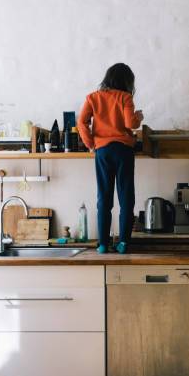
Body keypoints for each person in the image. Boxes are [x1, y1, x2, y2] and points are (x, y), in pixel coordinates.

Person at [78, 63, 144, 254]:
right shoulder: (125, 97)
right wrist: (138, 117)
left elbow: (81, 122)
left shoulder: (93, 98)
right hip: (123, 150)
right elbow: (130, 123)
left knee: (104, 197)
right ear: (127, 81)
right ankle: (123, 242)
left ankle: (102, 244)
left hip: (103, 151)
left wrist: (91, 144)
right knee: (126, 197)